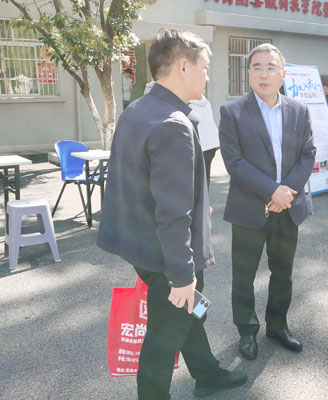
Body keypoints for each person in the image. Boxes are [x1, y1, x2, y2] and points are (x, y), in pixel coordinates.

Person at [97, 29, 247, 399]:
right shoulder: (173, 124)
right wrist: (182, 276)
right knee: (164, 338)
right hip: (169, 257)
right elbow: (172, 213)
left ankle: (207, 374)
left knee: (187, 314)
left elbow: (140, 182)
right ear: (183, 67)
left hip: (143, 247)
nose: (207, 77)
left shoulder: (138, 109)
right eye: (204, 68)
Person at [219, 43, 316, 361]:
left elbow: (308, 155)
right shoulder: (232, 112)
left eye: (271, 67)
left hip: (287, 208)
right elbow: (233, 161)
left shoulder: (299, 110)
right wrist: (271, 191)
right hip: (249, 208)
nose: (264, 74)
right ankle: (246, 331)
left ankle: (278, 325)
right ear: (248, 74)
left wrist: (285, 193)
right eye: (257, 67)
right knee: (244, 275)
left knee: (283, 272)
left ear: (283, 74)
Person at [189, 95, 220, 187]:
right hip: (210, 143)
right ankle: (204, 195)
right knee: (205, 174)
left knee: (195, 177)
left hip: (199, 144)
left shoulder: (188, 104)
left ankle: (200, 195)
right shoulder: (205, 101)